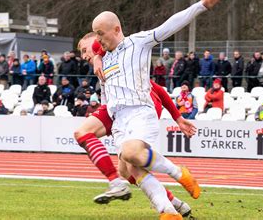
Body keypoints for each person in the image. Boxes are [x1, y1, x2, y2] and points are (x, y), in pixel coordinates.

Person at [91, 0, 223, 218]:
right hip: (120, 122)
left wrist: (201, 5)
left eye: (101, 34)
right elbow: (105, 94)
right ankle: (169, 211)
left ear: (116, 29)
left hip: (140, 112)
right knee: (128, 169)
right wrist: (96, 57)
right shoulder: (104, 59)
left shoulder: (137, 43)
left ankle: (178, 173)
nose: (98, 39)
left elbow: (170, 25)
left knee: (132, 154)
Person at [76, 34, 196, 217]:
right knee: (127, 169)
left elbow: (158, 90)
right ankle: (172, 204)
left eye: (84, 50)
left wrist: (178, 117)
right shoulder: (104, 63)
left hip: (134, 109)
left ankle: (117, 183)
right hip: (122, 111)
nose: (84, 56)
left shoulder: (114, 56)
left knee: (83, 133)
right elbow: (158, 90)